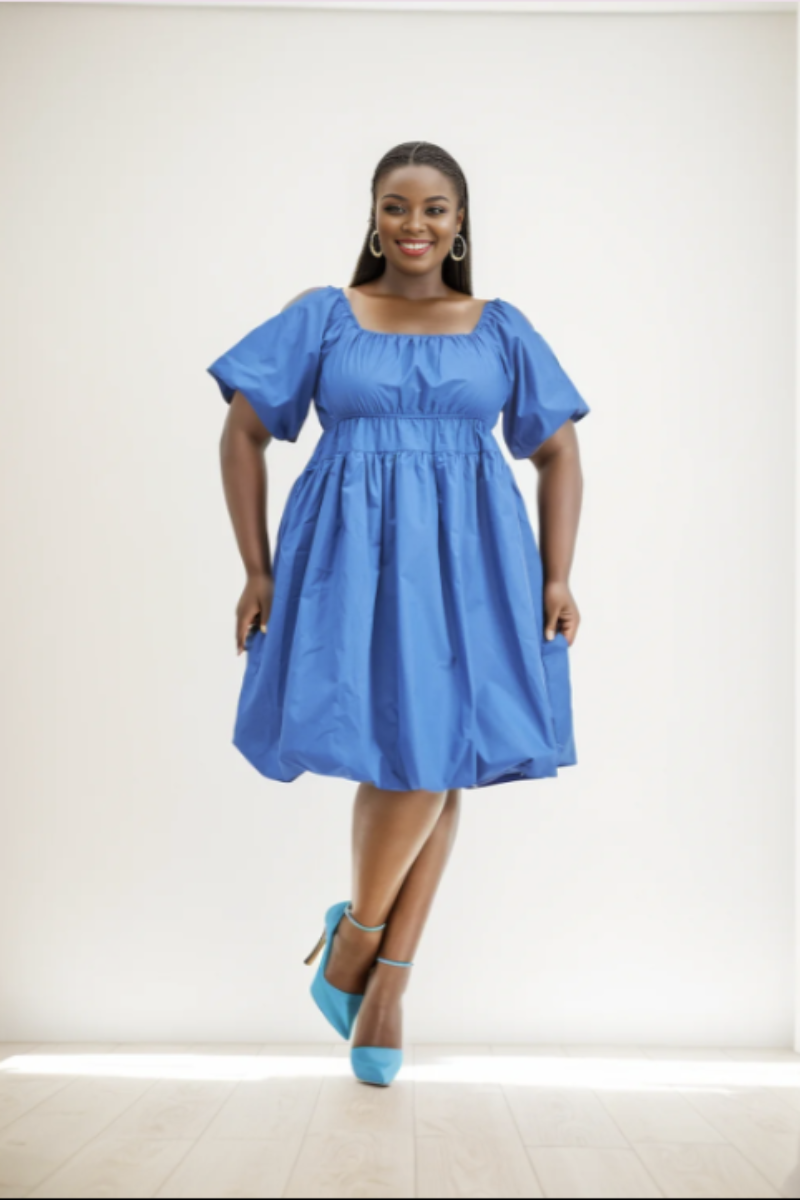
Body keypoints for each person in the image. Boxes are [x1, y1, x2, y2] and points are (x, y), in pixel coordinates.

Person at [207, 140, 590, 1087]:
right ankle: (370, 965)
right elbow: (243, 433)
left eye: (434, 208)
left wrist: (557, 576)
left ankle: (372, 966)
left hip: (475, 561)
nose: (414, 224)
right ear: (374, 218)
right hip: (349, 557)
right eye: (395, 205)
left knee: (439, 756)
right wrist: (255, 569)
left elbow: (558, 453)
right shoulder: (323, 317)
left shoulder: (500, 327)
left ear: (461, 223)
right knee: (418, 756)